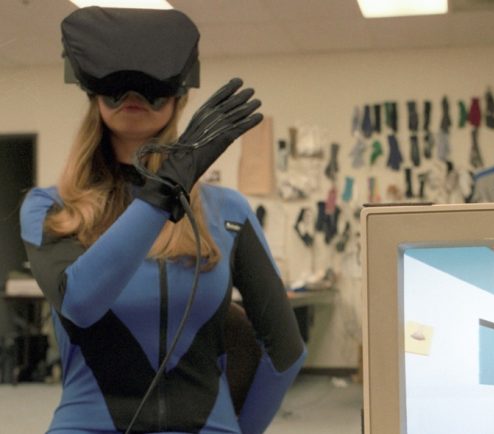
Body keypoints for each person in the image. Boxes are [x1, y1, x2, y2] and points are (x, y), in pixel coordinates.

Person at [19, 6, 305, 434]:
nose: (133, 97)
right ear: (92, 93)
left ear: (180, 95)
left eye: (152, 88)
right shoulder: (50, 208)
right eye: (116, 88)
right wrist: (165, 190)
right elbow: (80, 303)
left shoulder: (228, 212)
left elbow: (285, 350)